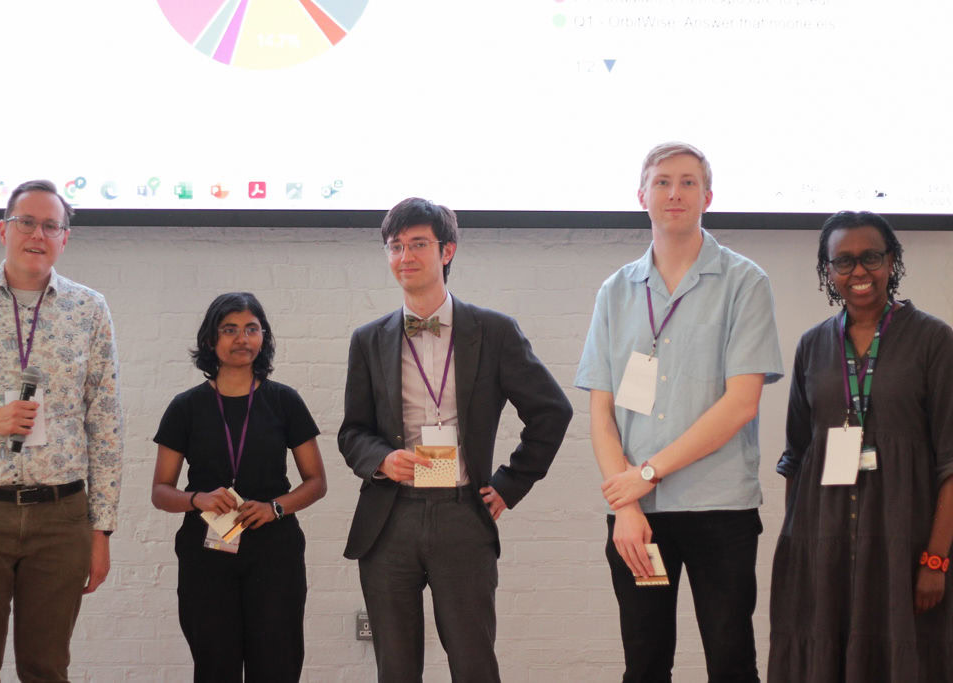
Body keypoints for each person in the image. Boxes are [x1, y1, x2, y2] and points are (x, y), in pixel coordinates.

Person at [338, 197, 573, 682]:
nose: (405, 256)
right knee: (396, 670)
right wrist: (382, 459)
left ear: (447, 251)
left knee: (473, 665)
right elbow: (351, 432)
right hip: (389, 520)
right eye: (395, 246)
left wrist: (510, 484)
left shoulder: (493, 331)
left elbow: (552, 411)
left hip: (463, 516)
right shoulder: (369, 339)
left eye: (418, 244)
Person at [575, 142, 784, 682]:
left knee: (731, 660)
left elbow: (741, 404)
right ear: (641, 195)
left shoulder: (745, 283)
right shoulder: (615, 292)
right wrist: (625, 504)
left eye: (688, 182)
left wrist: (646, 473)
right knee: (644, 665)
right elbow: (601, 411)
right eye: (663, 181)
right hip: (640, 521)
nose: (675, 193)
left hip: (722, 513)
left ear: (708, 196)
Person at [0, 179, 124, 680]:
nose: (38, 234)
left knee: (46, 668)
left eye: (51, 225)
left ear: (65, 239)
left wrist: (100, 530)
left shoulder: (89, 309)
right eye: (27, 222)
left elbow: (104, 423)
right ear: (3, 230)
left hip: (61, 518)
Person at [769, 211, 953, 681]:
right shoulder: (812, 346)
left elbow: (951, 463)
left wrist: (936, 558)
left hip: (903, 543)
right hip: (823, 543)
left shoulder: (936, 341)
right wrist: (801, 550)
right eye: (843, 261)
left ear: (892, 261)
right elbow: (797, 457)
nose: (859, 272)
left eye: (871, 257)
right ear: (827, 271)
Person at [152, 292, 326, 683]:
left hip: (274, 551)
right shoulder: (186, 407)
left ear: (263, 337)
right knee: (215, 668)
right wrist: (197, 499)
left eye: (251, 329)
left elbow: (316, 482)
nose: (241, 339)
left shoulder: (284, 401)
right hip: (206, 555)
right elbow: (161, 491)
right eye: (229, 330)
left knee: (277, 667)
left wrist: (275, 507)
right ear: (211, 340)